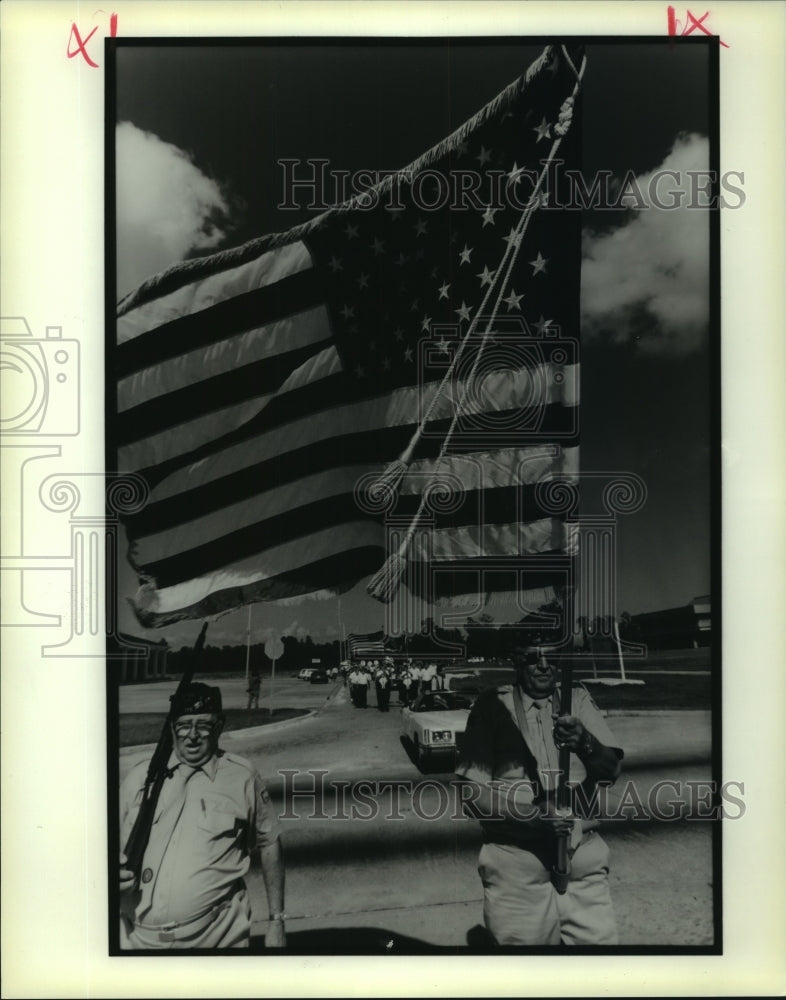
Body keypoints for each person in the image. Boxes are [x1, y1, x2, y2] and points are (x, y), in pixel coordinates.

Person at [455, 644, 624, 946]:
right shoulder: (491, 706)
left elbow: (610, 771)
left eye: (552, 657)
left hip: (582, 861)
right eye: (533, 657)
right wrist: (533, 817)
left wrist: (586, 743)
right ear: (516, 660)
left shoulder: (577, 699)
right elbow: (472, 796)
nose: (545, 665)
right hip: (518, 864)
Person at [119, 682, 286, 949]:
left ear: (219, 726)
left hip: (218, 937)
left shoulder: (242, 777)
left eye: (204, 725)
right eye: (184, 724)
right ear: (172, 728)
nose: (192, 735)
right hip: (135, 939)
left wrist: (277, 921)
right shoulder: (139, 778)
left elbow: (269, 843)